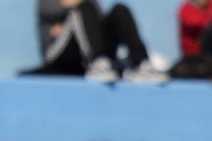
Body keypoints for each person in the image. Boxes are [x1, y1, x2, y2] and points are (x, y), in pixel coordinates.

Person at [33, 0, 168, 84]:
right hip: (59, 53)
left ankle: (141, 64)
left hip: (89, 51)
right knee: (82, 9)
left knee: (120, 9)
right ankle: (97, 63)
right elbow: (65, 4)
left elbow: (97, 21)